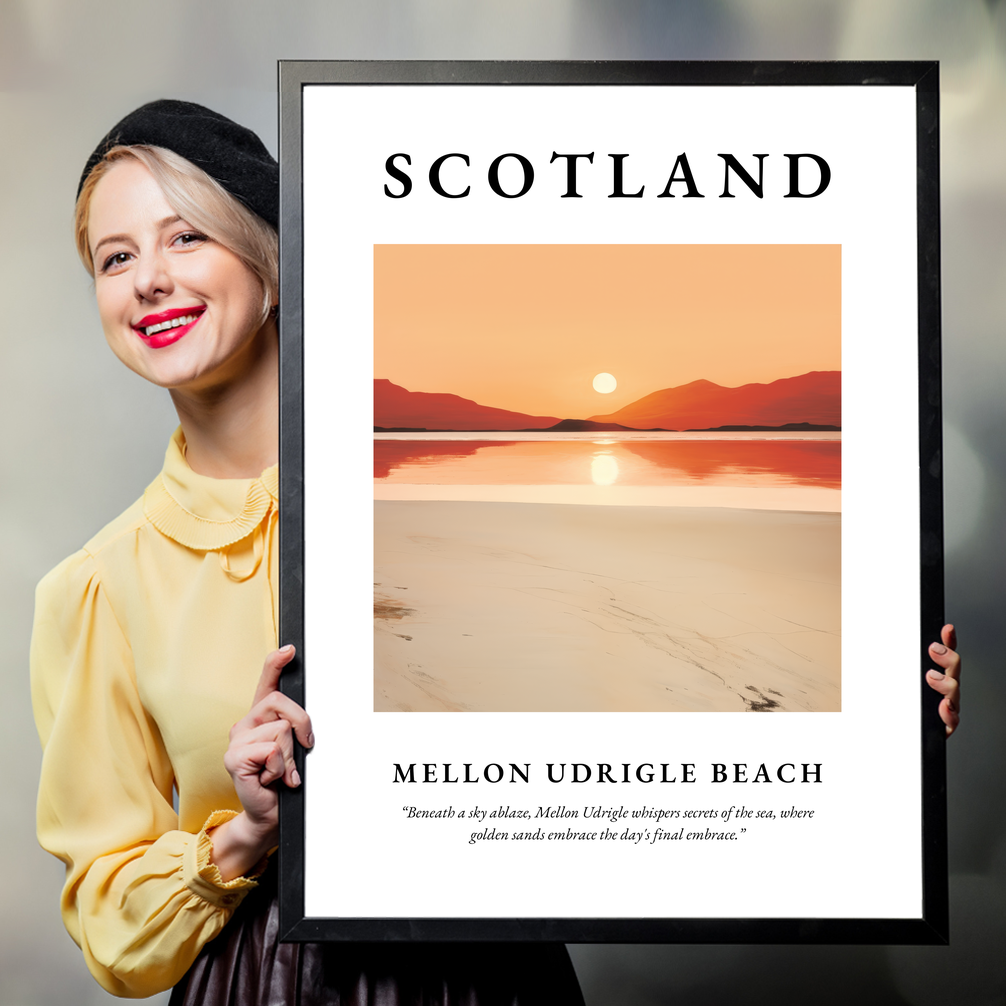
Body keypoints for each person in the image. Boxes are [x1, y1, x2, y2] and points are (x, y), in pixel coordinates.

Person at [30, 100, 585, 1004]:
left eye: (186, 239)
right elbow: (110, 923)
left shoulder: (441, 502)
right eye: (116, 257)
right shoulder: (98, 587)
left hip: (491, 973)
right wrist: (244, 832)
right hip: (262, 981)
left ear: (273, 264)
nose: (148, 281)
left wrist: (890, 710)